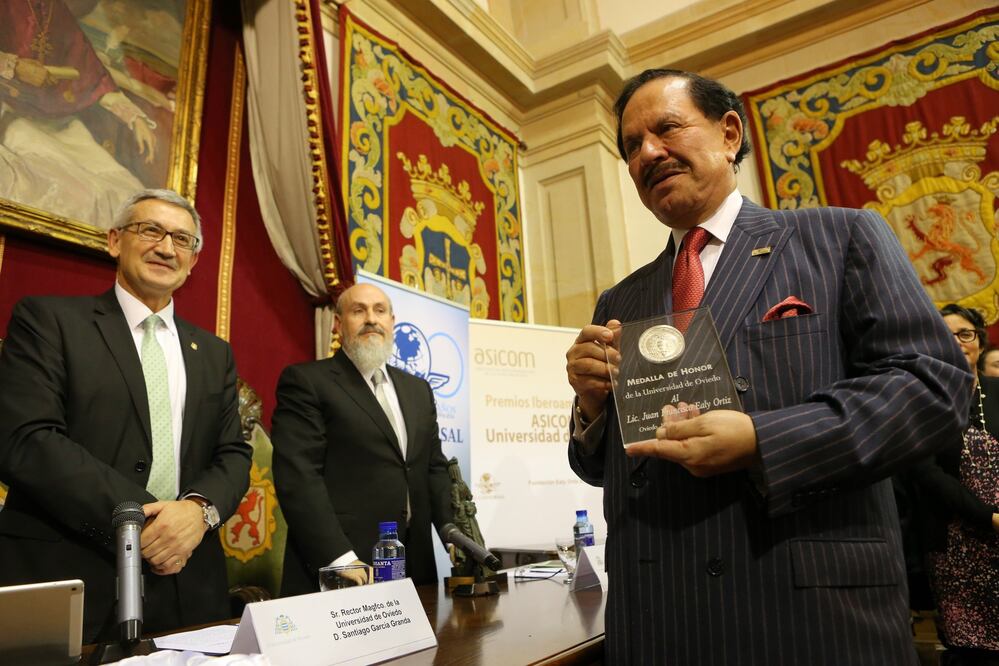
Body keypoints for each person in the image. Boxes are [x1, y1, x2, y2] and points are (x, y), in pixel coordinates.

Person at [564, 69, 971, 665]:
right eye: (631, 146)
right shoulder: (619, 302)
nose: (648, 152)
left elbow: (932, 388)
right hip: (657, 620)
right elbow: (598, 469)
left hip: (807, 615)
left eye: (667, 128)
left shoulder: (839, 239)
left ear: (729, 133)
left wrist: (763, 440)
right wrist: (592, 407)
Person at [0, 189, 252, 643]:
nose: (166, 247)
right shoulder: (48, 320)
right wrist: (147, 521)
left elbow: (232, 453)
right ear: (115, 241)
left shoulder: (214, 353)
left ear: (193, 261)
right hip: (72, 571)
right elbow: (27, 439)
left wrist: (198, 511)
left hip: (187, 582)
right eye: (150, 230)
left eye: (182, 239)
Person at [272, 283, 453, 595]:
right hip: (344, 569)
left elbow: (433, 469)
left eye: (379, 311)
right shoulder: (307, 382)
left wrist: (455, 535)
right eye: (359, 311)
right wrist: (340, 560)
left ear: (392, 322)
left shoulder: (417, 390)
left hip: (415, 567)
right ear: (339, 324)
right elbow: (299, 477)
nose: (371, 319)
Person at [906, 305, 999, 665]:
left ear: (979, 340)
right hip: (956, 546)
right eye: (946, 335)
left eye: (966, 334)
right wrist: (988, 517)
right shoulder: (921, 401)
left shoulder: (995, 388)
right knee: (972, 653)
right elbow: (925, 473)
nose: (958, 342)